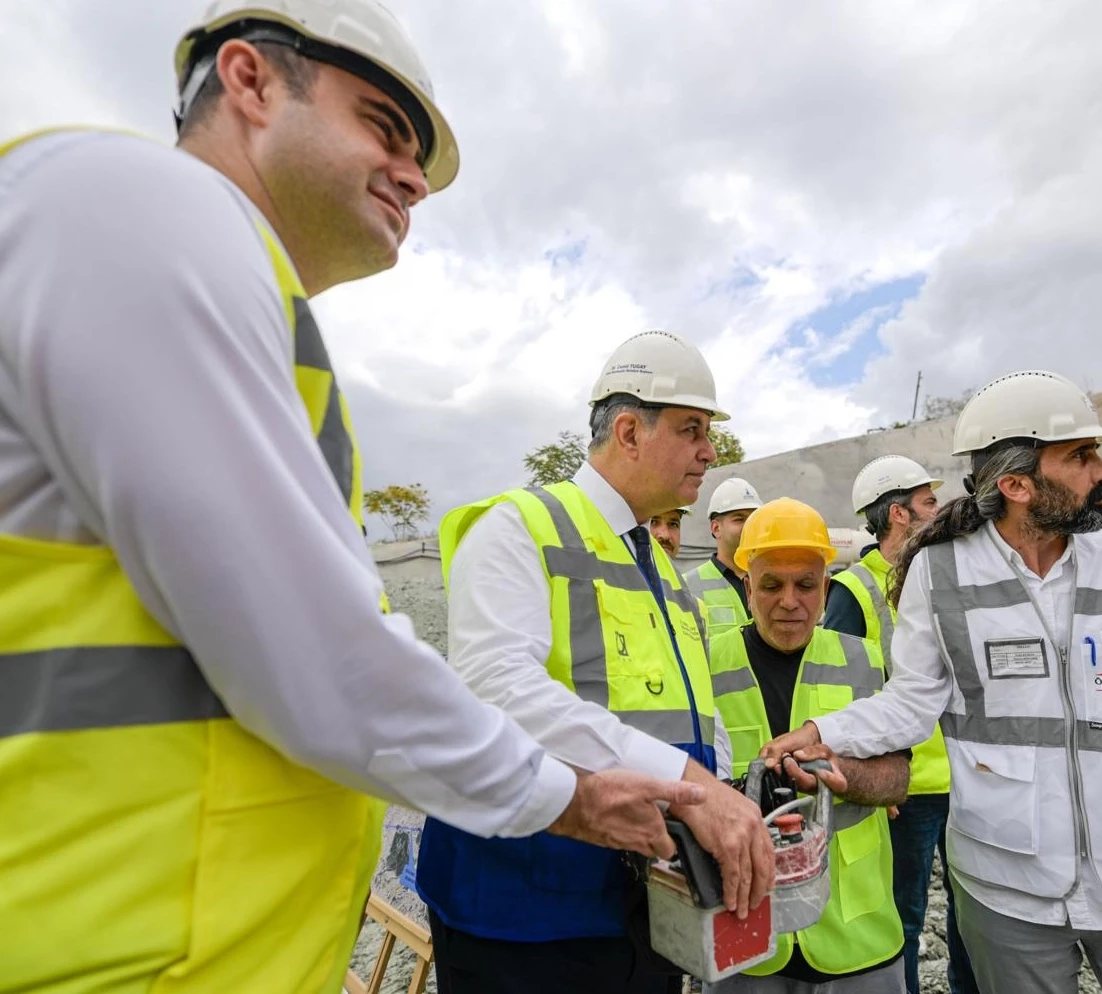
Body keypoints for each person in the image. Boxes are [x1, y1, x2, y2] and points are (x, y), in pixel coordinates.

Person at [0, 4, 694, 992]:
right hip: (106, 949)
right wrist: (575, 798)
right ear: (249, 81)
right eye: (384, 125)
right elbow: (322, 656)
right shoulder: (137, 205)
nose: (415, 178)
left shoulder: (243, 311)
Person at [765, 371, 1102, 994]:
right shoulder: (941, 572)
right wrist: (822, 732)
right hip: (1007, 889)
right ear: (1017, 485)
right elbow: (911, 701)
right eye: (1081, 455)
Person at [417, 330, 775, 994]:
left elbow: (693, 711)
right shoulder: (518, 527)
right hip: (526, 920)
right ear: (630, 432)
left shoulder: (660, 567)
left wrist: (723, 798)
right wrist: (691, 784)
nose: (710, 451)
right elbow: (497, 685)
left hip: (642, 908)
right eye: (692, 429)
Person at [709, 498, 909, 994]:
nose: (789, 601)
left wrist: (845, 777)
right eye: (771, 585)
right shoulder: (705, 665)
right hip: (746, 935)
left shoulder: (864, 660)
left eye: (805, 585)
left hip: (856, 935)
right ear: (747, 586)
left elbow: (898, 780)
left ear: (825, 586)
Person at [823, 456, 974, 994]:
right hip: (906, 788)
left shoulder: (948, 577)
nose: (939, 510)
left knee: (974, 914)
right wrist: (869, 776)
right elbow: (840, 689)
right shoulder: (854, 589)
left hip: (965, 777)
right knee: (904, 916)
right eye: (928, 502)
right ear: (898, 514)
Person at [685, 476, 763, 639]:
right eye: (739, 519)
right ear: (716, 528)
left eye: (754, 519)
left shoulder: (770, 579)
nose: (749, 526)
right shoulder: (687, 585)